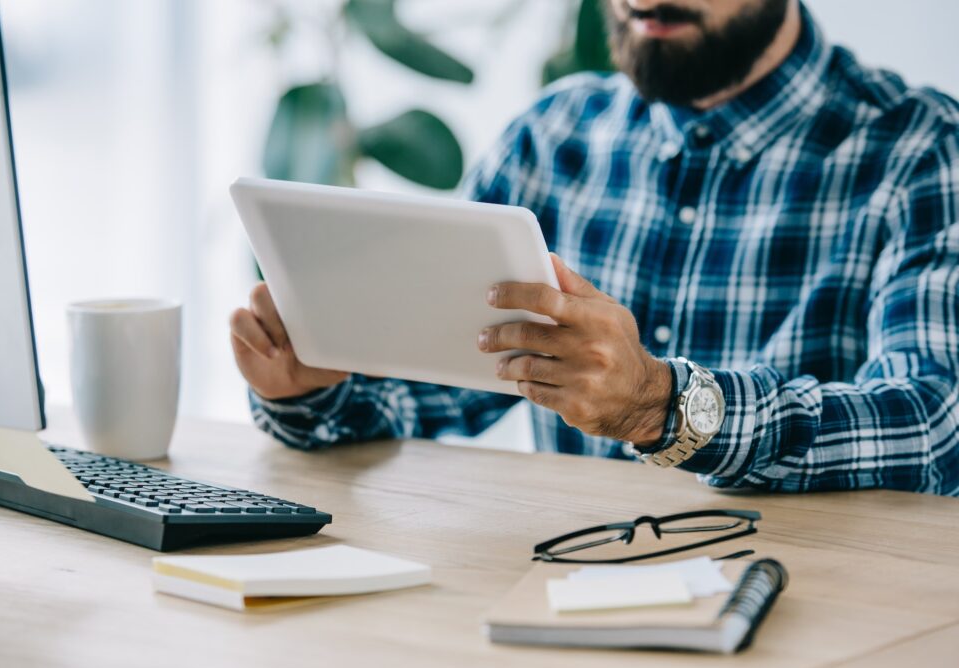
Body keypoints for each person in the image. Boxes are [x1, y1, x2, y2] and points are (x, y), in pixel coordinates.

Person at [229, 0, 959, 496]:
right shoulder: (553, 135)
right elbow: (448, 384)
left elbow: (931, 428)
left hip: (816, 611)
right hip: (566, 593)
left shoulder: (923, 149)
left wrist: (661, 406)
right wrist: (317, 389)